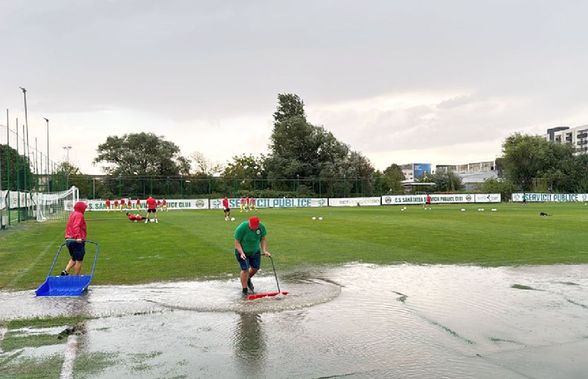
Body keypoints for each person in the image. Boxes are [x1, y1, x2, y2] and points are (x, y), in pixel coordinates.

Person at [233, 216, 271, 295]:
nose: (254, 229)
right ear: (249, 223)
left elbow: (263, 239)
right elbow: (237, 242)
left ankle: (247, 279)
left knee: (255, 268)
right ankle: (244, 289)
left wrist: (264, 250)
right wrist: (242, 253)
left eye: (255, 227)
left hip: (255, 250)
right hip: (242, 251)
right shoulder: (242, 227)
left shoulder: (261, 227)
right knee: (245, 269)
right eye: (252, 227)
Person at [61, 201, 88, 276]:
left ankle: (65, 271)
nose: (85, 209)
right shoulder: (79, 215)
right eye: (84, 208)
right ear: (81, 208)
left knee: (74, 258)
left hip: (68, 240)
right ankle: (76, 277)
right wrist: (78, 237)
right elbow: (76, 226)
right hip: (75, 240)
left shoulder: (73, 214)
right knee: (79, 260)